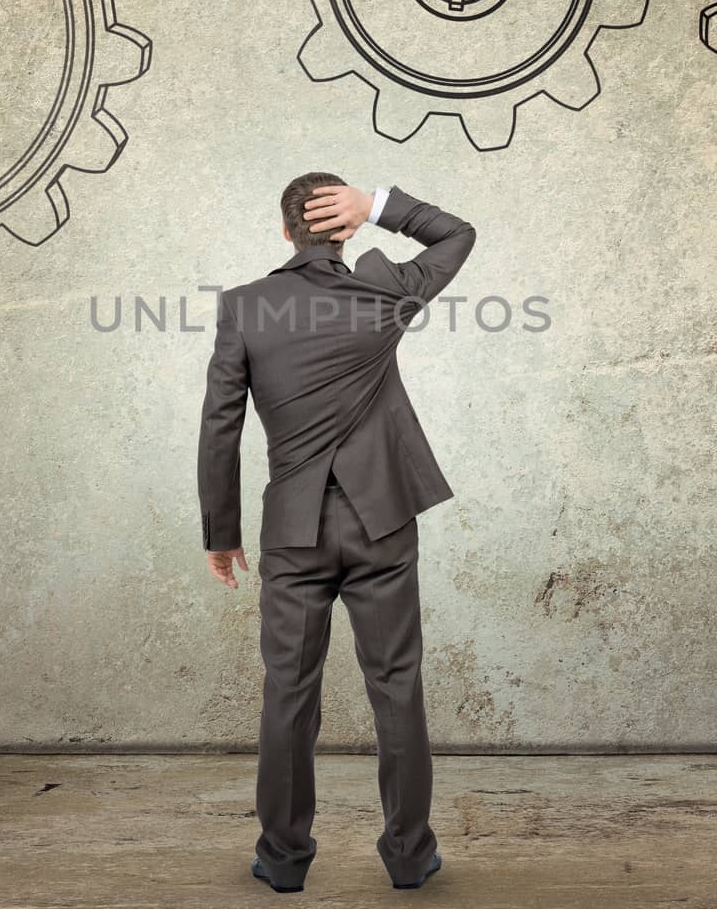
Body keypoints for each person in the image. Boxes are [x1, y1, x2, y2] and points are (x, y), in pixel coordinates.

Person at [196, 174, 476, 893]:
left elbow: (220, 428)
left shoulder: (245, 308)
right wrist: (380, 205)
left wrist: (221, 532)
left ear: (285, 230)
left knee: (288, 692)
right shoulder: (383, 291)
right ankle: (410, 860)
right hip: (381, 523)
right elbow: (457, 234)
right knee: (397, 687)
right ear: (344, 229)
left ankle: (284, 862)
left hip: (293, 530)